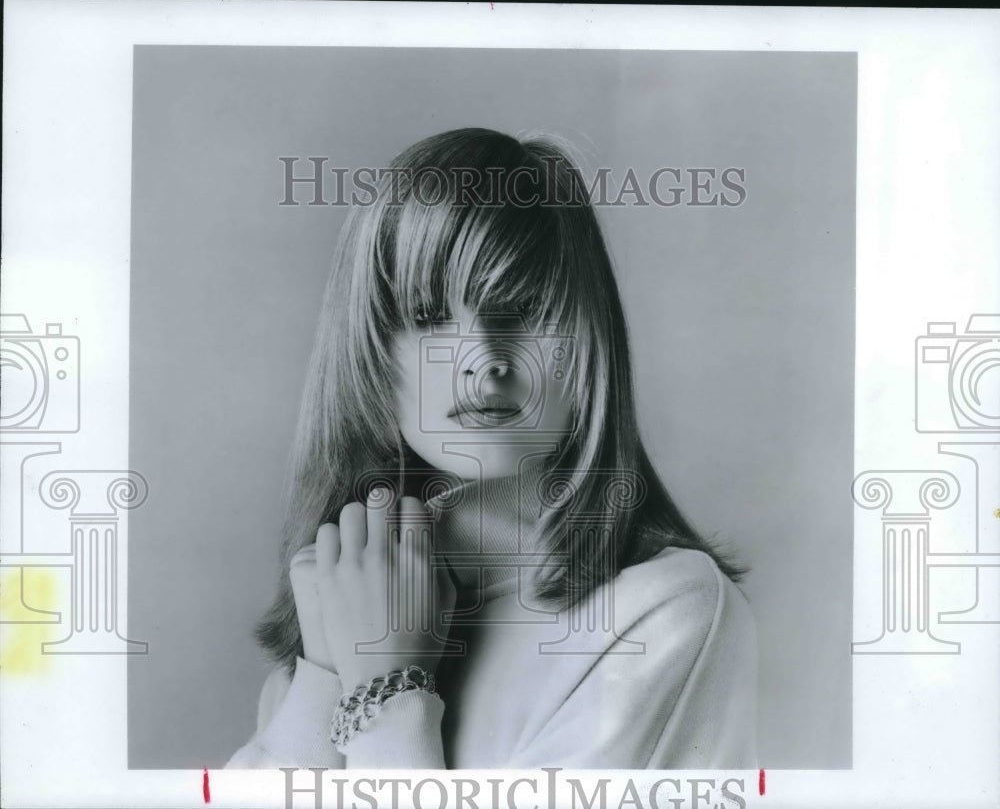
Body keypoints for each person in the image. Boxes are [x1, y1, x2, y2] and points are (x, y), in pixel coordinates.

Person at [226, 128, 757, 769]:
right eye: (427, 315)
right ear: (369, 356)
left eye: (524, 306)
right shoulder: (341, 605)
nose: (482, 360)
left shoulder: (668, 611)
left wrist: (385, 692)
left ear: (589, 342)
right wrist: (322, 675)